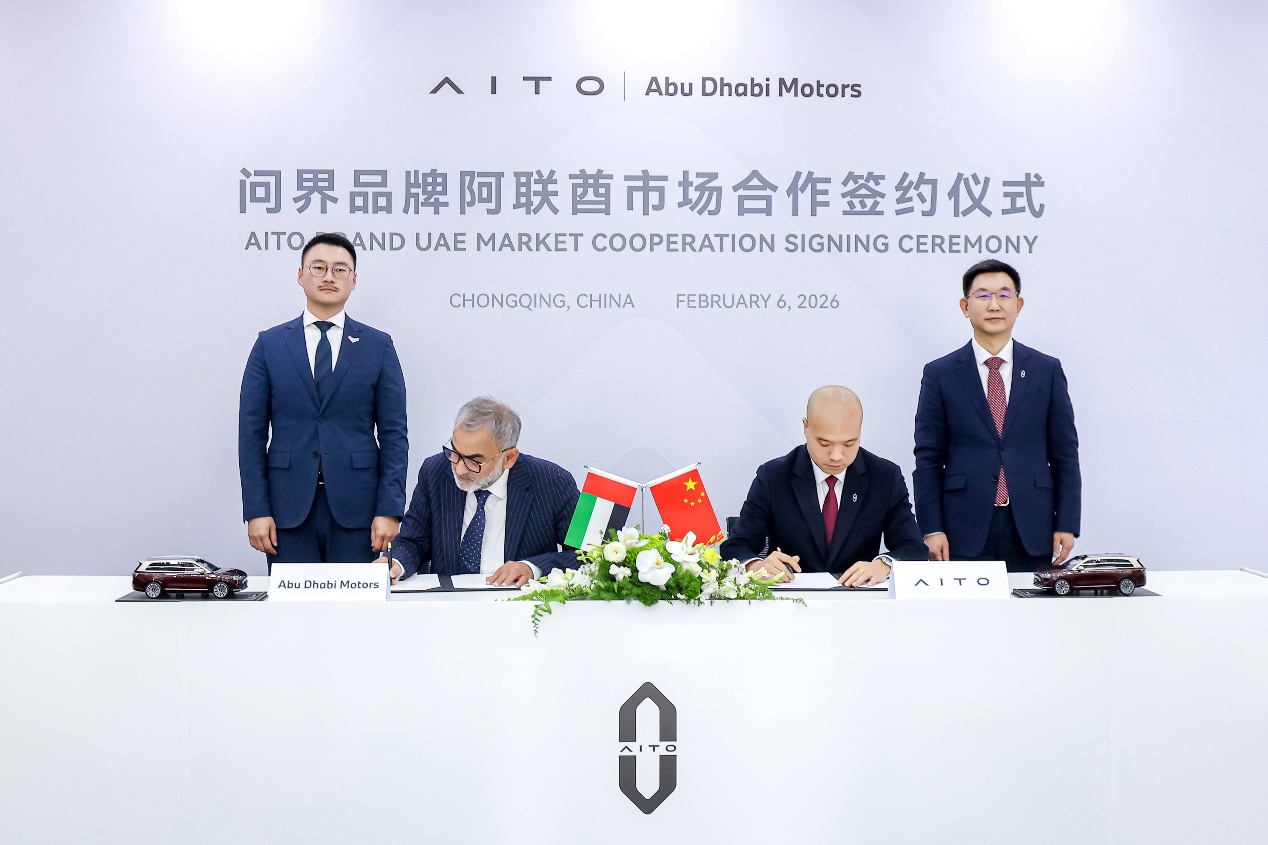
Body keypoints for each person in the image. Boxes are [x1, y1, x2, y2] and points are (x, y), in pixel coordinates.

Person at [238, 233, 408, 565]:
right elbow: (251, 435)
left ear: (353, 280)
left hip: (359, 511)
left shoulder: (378, 346)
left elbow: (394, 435)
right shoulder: (269, 345)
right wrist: (256, 510)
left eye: (340, 269)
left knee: (355, 599)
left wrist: (390, 509)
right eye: (318, 267)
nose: (329, 276)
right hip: (286, 511)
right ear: (301, 275)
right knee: (293, 600)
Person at [913, 259, 1080, 572]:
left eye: (1004, 295)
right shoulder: (940, 374)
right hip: (962, 524)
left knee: (1031, 602)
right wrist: (931, 528)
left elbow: (1065, 454)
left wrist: (1067, 522)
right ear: (965, 306)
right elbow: (928, 458)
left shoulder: (1046, 370)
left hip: (1032, 523)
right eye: (983, 296)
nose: (994, 305)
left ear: (1019, 304)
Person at [720, 386, 926, 587]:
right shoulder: (773, 476)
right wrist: (756, 566)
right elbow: (736, 546)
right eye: (824, 443)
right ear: (805, 427)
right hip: (790, 598)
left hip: (858, 597)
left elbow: (913, 547)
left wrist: (884, 565)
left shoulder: (885, 477)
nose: (836, 456)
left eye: (849, 443)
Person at [386, 397, 580, 586]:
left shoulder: (554, 482)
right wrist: (395, 563)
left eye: (474, 461)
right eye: (455, 452)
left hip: (520, 600)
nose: (459, 469)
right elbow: (413, 541)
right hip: (448, 600)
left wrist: (532, 568)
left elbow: (586, 555)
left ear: (509, 458)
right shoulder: (435, 472)